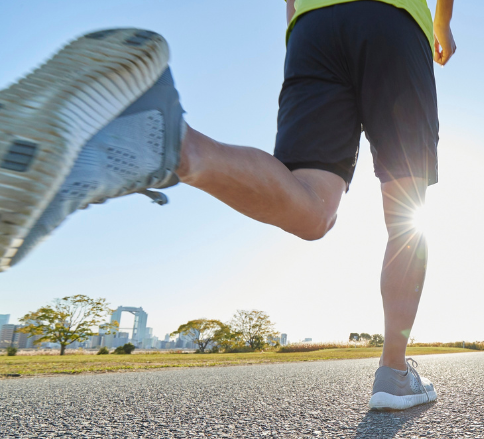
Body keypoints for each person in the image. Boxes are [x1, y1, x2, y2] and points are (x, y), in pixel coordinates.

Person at [0, 0, 455, 410]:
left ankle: (174, 143)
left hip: (312, 29)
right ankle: (394, 372)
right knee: (406, 217)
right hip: (393, 21)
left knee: (313, 209)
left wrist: (300, 28)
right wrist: (443, 22)